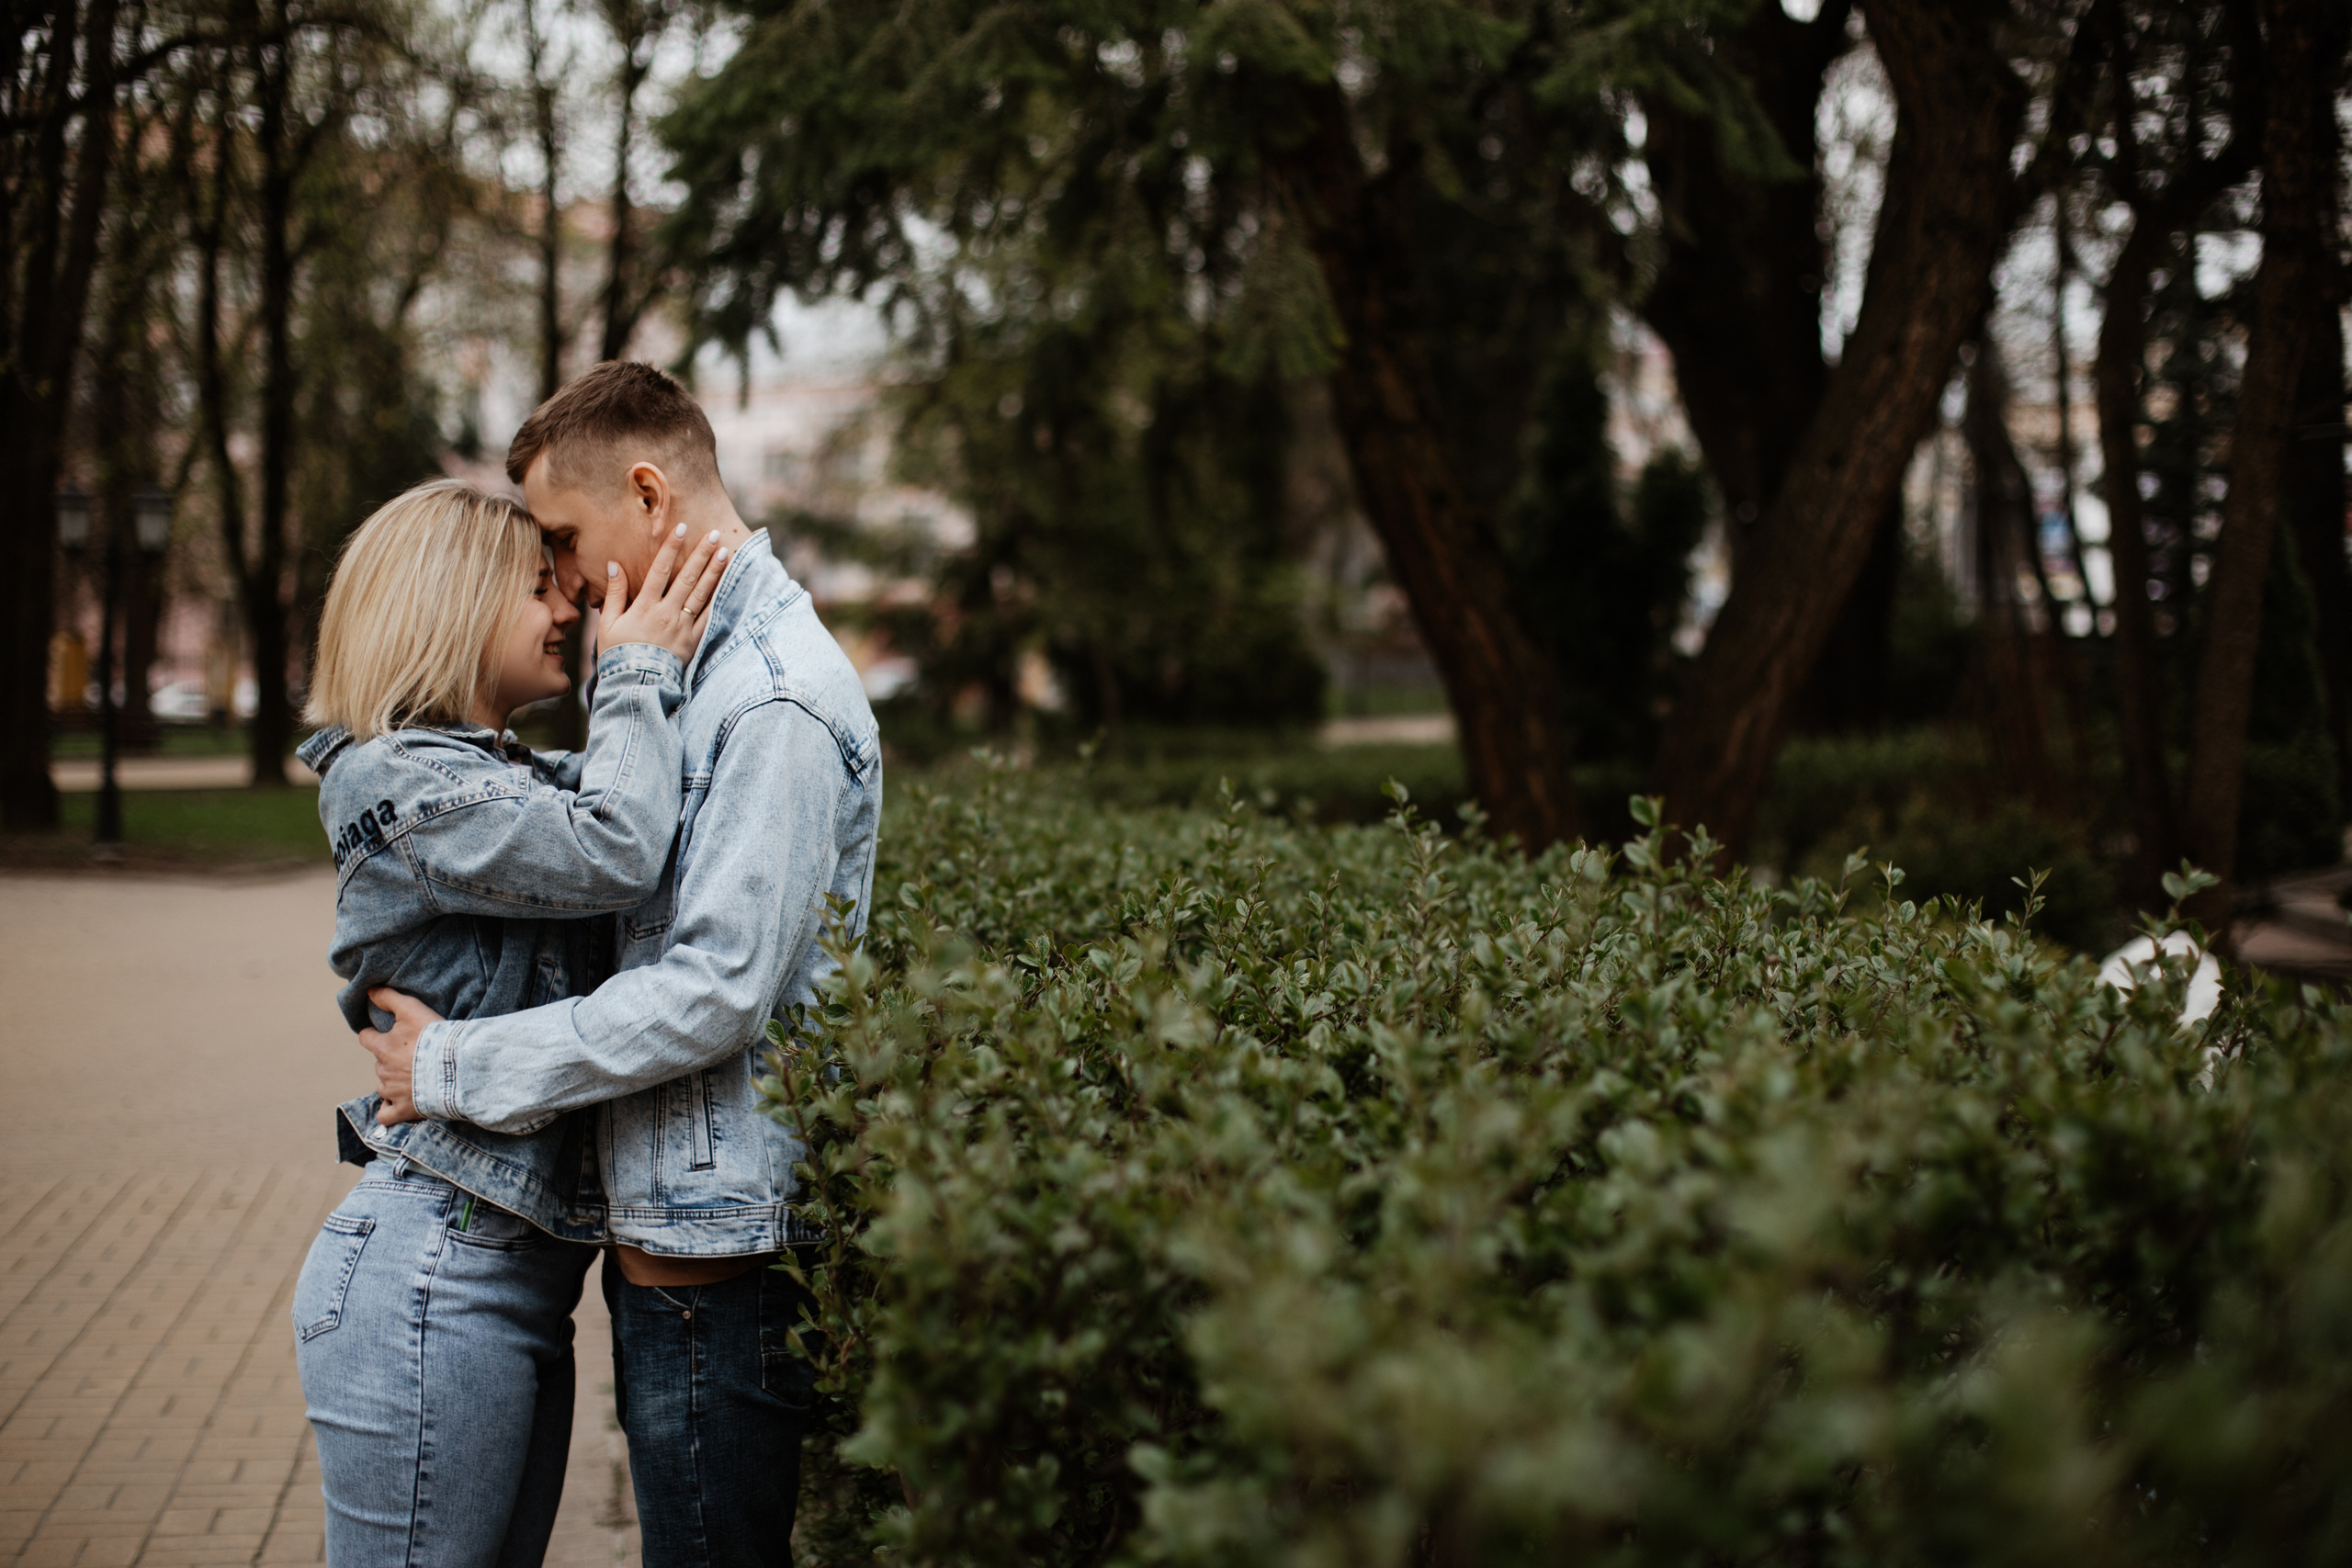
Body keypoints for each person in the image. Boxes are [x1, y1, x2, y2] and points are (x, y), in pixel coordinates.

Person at [356, 362, 885, 1568]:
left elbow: (716, 990)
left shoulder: (772, 698)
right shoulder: (690, 665)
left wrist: (455, 1063)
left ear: (648, 494)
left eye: (563, 539)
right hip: (676, 1250)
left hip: (717, 1266)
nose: (556, 579)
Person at [290, 478, 730, 1566]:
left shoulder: (499, 777)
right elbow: (618, 846)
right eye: (539, 586)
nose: (569, 608)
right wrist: (640, 668)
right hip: (434, 1277)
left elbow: (650, 820)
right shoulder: (399, 783)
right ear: (452, 602)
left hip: (505, 1279)